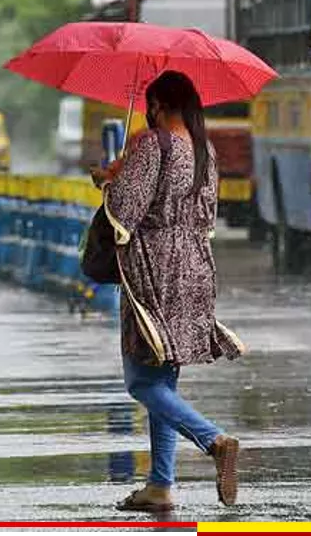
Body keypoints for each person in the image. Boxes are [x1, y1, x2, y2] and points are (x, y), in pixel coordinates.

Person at [92, 70, 246, 513]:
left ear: (157, 104)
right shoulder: (204, 149)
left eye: (149, 106)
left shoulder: (152, 144)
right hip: (195, 268)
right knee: (163, 378)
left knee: (141, 381)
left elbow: (125, 212)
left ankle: (214, 440)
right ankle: (160, 484)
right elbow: (207, 212)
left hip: (153, 271)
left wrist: (109, 179)